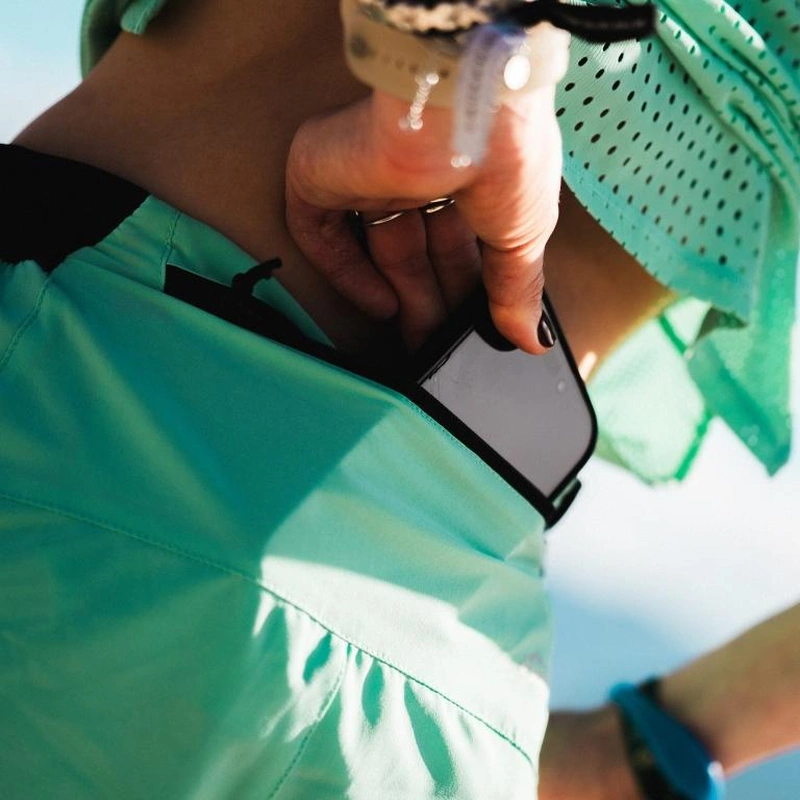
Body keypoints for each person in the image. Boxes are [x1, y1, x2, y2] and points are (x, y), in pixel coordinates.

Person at [0, 0, 797, 797]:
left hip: (95, 405)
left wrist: (467, 86)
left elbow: (452, 88)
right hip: (450, 698)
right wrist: (652, 745)